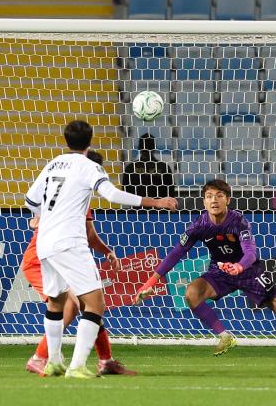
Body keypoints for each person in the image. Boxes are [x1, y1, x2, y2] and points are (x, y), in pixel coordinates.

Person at [25, 120, 177, 379]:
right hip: (69, 242)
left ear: (66, 139)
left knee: (57, 302)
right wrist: (155, 202)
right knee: (95, 304)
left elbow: (30, 199)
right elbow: (113, 195)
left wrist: (42, 215)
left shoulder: (53, 163)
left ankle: (53, 362)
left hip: (45, 242)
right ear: (90, 139)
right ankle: (77, 367)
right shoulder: (89, 166)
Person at [135, 179, 276, 355]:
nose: (214, 200)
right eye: (209, 196)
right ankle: (225, 336)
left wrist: (239, 267)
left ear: (228, 200)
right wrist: (150, 283)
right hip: (220, 272)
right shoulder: (199, 225)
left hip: (248, 272)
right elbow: (176, 253)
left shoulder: (238, 221)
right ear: (203, 201)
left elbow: (250, 252)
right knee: (192, 293)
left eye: (219, 196)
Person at [22, 150, 136, 377]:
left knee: (85, 305)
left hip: (52, 255)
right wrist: (108, 251)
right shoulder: (76, 193)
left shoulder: (70, 192)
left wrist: (107, 251)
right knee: (76, 305)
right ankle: (40, 358)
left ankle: (105, 361)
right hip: (40, 260)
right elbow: (89, 234)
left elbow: (86, 232)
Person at [121, 133, 175, 199]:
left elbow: (125, 193)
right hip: (159, 205)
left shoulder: (130, 168)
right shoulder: (164, 168)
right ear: (154, 148)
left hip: (138, 205)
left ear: (139, 148)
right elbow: (171, 194)